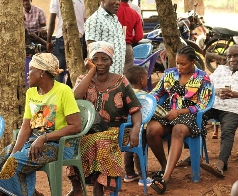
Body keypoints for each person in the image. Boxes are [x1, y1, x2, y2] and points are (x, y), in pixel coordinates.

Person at [66, 41, 142, 196]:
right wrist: (91, 72)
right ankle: (77, 186)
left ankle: (99, 190)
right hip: (88, 130)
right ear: (89, 61)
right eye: (95, 59)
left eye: (104, 59)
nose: (100, 63)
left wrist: (135, 129)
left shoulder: (121, 81)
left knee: (100, 142)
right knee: (73, 141)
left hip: (115, 130)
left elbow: (135, 110)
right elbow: (75, 97)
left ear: (111, 61)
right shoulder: (84, 79)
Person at [0, 53, 81, 196]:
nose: (27, 73)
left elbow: (76, 126)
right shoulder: (31, 92)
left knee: (13, 166)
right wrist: (14, 153)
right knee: (3, 161)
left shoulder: (63, 91)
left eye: (30, 69)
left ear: (42, 72)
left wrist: (44, 137)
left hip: (59, 145)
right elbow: (26, 127)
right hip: (33, 142)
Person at [146, 45, 213, 194]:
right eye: (177, 63)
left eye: (183, 64)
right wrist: (149, 101)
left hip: (192, 116)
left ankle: (166, 179)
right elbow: (158, 92)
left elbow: (203, 104)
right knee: (151, 130)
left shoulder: (203, 78)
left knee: (177, 130)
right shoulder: (170, 74)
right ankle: (165, 166)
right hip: (170, 113)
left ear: (193, 62)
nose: (179, 67)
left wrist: (180, 112)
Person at [198, 45, 238, 177]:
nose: (232, 59)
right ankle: (195, 156)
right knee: (196, 119)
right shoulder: (220, 70)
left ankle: (221, 164)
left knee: (227, 131)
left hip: (235, 107)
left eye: (235, 56)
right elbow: (206, 87)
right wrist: (217, 92)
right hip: (214, 104)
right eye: (229, 56)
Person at [124, 66, 152, 186]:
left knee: (128, 150)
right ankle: (143, 177)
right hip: (140, 129)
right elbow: (155, 111)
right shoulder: (144, 96)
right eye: (147, 77)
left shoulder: (124, 94)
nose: (148, 79)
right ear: (141, 80)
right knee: (140, 151)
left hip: (125, 128)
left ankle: (129, 174)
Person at [47, 0, 86, 86]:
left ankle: (59, 94)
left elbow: (52, 21)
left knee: (58, 70)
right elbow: (84, 20)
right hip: (79, 36)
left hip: (62, 36)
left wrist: (48, 41)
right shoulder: (83, 1)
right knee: (76, 69)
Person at [84, 0, 126, 74]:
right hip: (103, 78)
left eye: (119, 0)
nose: (118, 3)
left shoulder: (115, 20)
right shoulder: (95, 20)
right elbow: (93, 52)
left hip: (116, 75)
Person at [116, 0, 143, 74]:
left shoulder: (112, 12)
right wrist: (130, 39)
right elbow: (139, 36)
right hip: (127, 46)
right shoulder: (134, 13)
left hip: (112, 47)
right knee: (127, 76)